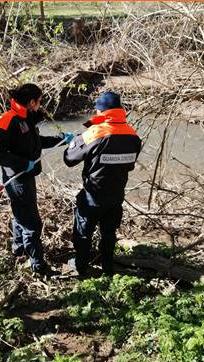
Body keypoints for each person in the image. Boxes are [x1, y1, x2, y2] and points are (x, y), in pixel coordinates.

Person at [0, 83, 73, 274]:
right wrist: (22, 164)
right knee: (32, 224)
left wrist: (60, 139)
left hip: (26, 175)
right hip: (16, 178)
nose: (40, 105)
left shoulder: (25, 119)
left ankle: (18, 250)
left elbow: (35, 143)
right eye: (39, 101)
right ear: (31, 101)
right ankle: (38, 266)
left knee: (21, 214)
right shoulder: (7, 121)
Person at [63, 92, 142, 276]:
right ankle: (108, 267)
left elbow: (69, 159)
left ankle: (81, 266)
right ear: (120, 110)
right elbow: (129, 164)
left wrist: (75, 142)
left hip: (93, 195)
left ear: (100, 111)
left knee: (83, 232)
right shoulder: (133, 135)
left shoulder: (95, 133)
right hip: (116, 195)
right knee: (109, 233)